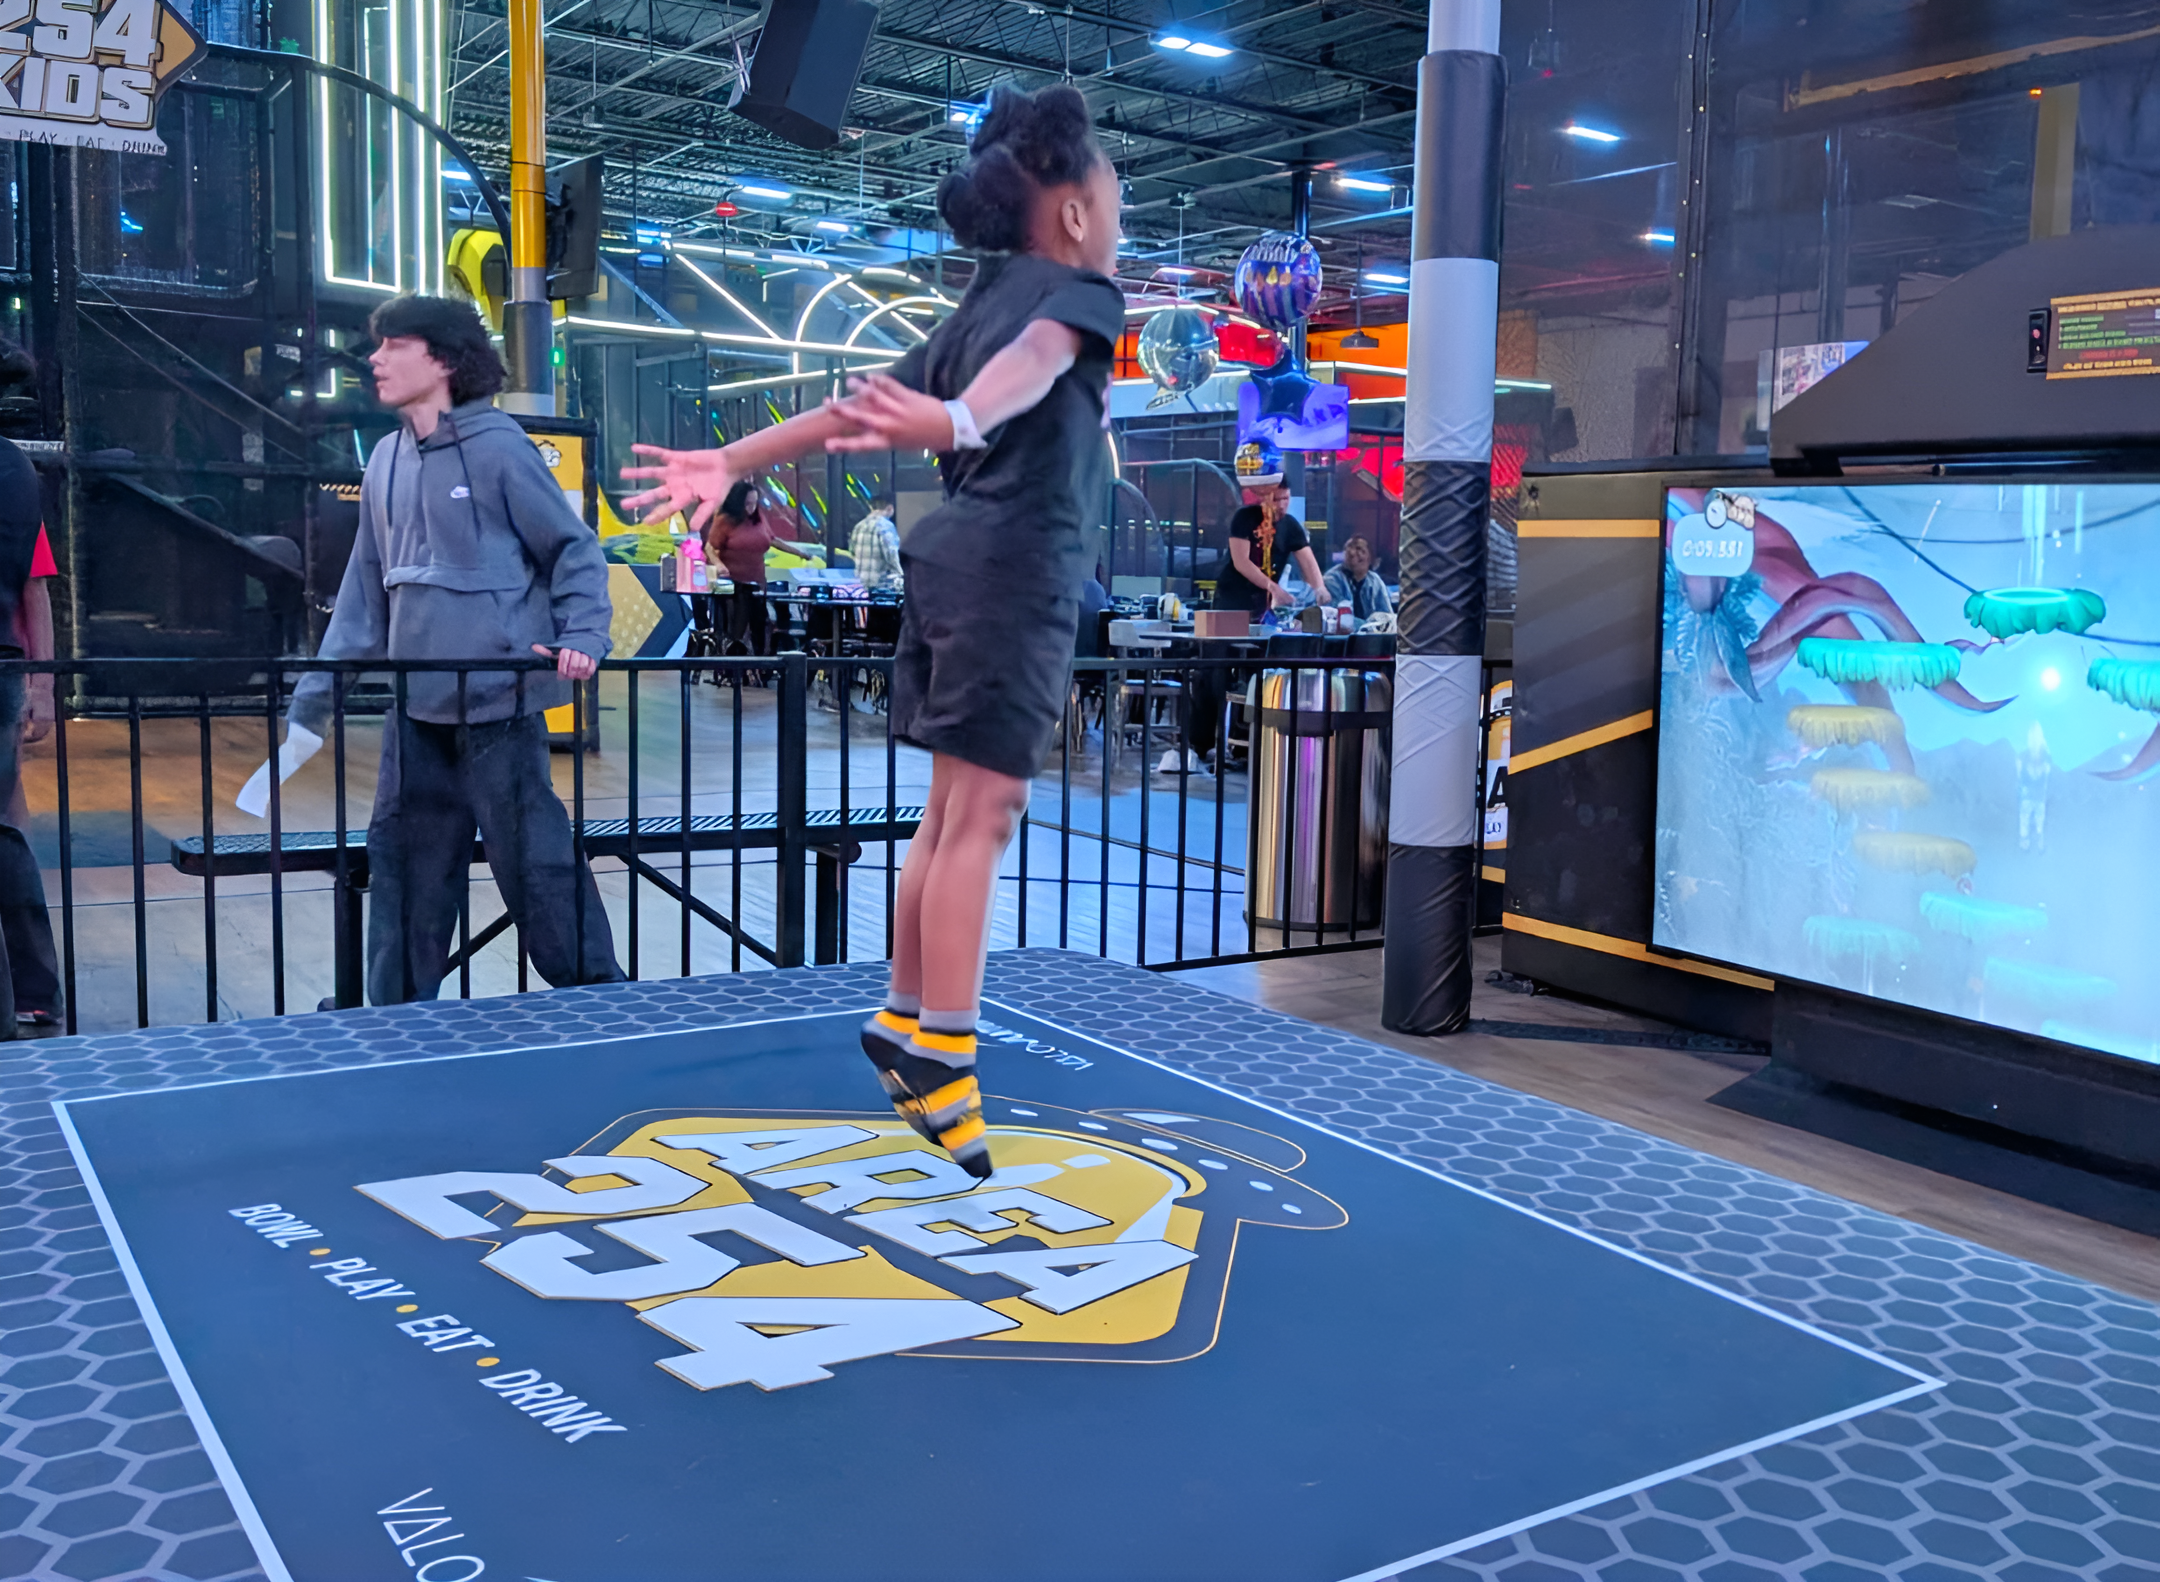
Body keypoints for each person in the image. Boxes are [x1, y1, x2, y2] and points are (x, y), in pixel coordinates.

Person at [625, 82, 1124, 1178]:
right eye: (1109, 187)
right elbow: (1029, 367)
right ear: (1076, 208)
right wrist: (958, 419)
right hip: (1015, 560)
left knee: (950, 810)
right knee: (985, 814)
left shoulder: (978, 299)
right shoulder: (1075, 294)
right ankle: (944, 1043)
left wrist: (732, 459)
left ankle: (905, 1014)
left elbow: (850, 411)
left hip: (951, 561)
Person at [285, 294, 624, 1004]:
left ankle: (599, 1000)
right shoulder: (382, 461)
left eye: (391, 344)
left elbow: (574, 552)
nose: (374, 358)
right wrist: (313, 702)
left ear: (440, 358)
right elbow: (363, 595)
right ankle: (396, 1018)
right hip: (416, 716)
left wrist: (584, 637)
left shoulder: (501, 449)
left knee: (537, 867)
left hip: (500, 705)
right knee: (405, 868)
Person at [1172, 442, 1328, 773]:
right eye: (1277, 499)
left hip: (1262, 613)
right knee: (1212, 672)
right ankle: (1199, 745)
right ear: (1264, 495)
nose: (1282, 505)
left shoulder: (1291, 526)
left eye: (1286, 499)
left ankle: (1247, 745)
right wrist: (1272, 586)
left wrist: (1320, 589)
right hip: (1227, 605)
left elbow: (1308, 562)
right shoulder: (1244, 518)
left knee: (1261, 673)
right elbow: (1242, 563)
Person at [0, 337, 59, 1029]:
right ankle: (34, 991)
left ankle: (29, 994)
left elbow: (35, 588)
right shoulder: (16, 468)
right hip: (7, 670)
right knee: (7, 832)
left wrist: (42, 686)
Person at [705, 480, 774, 654]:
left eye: (754, 503)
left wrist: (801, 552)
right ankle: (732, 664)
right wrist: (719, 565)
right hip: (734, 583)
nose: (751, 508)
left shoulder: (758, 519)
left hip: (757, 582)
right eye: (747, 504)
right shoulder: (725, 520)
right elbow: (709, 547)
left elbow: (772, 539)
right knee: (738, 622)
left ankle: (760, 665)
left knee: (761, 622)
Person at [1324, 534, 1394, 620]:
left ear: (1370, 558)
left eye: (1359, 549)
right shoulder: (1332, 579)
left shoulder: (1375, 581)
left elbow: (1387, 615)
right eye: (1349, 548)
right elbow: (1339, 618)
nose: (1352, 552)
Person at [848, 498, 904, 594]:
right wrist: (901, 574)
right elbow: (892, 555)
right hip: (882, 584)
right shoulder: (886, 526)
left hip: (861, 584)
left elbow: (852, 551)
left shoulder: (859, 526)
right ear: (890, 508)